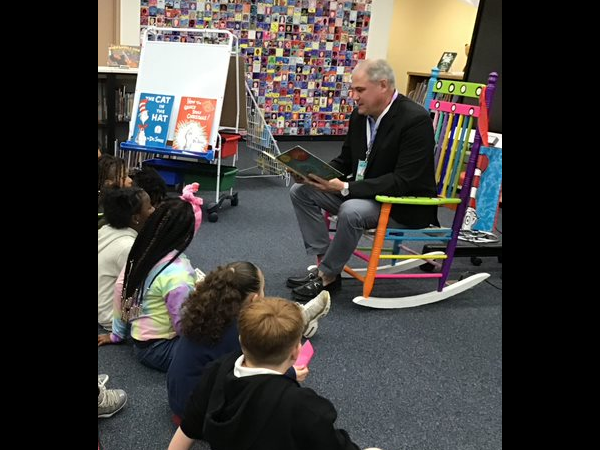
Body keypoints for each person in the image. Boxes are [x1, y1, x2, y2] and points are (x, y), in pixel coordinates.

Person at [286, 59, 438, 301]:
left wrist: (347, 187)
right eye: (353, 90)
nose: (353, 96)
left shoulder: (415, 120)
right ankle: (325, 263)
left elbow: (404, 181)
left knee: (351, 209)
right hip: (364, 192)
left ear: (383, 86)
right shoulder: (360, 116)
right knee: (300, 191)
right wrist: (313, 173)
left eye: (360, 90)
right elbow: (345, 161)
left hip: (401, 203)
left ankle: (327, 276)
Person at [168, 297, 381, 450]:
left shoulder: (217, 370)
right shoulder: (303, 406)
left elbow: (188, 429)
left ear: (242, 341)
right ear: (296, 351)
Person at [167, 262, 331, 419]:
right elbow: (254, 370)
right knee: (276, 399)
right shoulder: (237, 330)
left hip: (180, 398)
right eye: (263, 290)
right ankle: (301, 317)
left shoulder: (207, 310)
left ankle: (301, 316)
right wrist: (290, 373)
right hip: (199, 413)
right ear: (253, 299)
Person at [97, 183, 203, 372]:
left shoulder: (143, 252)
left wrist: (117, 334)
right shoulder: (179, 275)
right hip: (160, 347)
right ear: (188, 236)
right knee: (221, 344)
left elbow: (122, 289)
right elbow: (184, 326)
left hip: (141, 340)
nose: (152, 209)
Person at [98, 187, 155, 330]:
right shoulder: (127, 247)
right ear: (136, 218)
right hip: (111, 316)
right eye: (149, 207)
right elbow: (147, 288)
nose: (154, 210)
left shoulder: (106, 230)